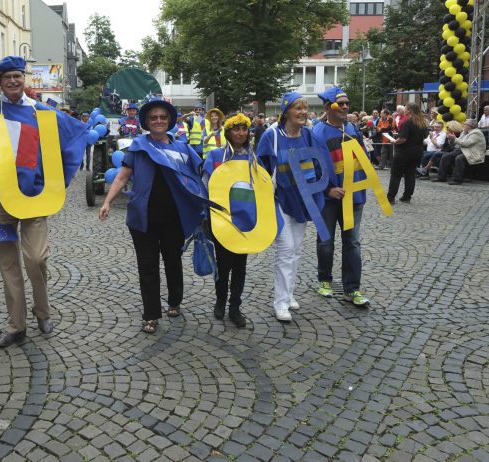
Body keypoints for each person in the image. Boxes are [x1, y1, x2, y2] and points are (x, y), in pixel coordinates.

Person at [0, 56, 86, 348]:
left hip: (34, 201)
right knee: (7, 263)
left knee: (36, 258)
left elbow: (73, 140)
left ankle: (42, 311)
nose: (12, 81)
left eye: (17, 76)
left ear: (24, 79)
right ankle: (16, 325)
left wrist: (57, 183)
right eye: (6, 77)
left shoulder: (42, 112)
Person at [99, 99, 206, 334]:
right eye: (153, 118)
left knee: (173, 262)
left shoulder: (182, 148)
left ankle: (175, 301)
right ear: (147, 122)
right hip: (143, 218)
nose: (158, 121)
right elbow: (122, 177)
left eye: (163, 117)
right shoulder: (138, 147)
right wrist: (107, 201)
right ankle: (150, 314)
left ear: (169, 121)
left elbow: (197, 179)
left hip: (174, 218)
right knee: (147, 266)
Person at [258, 92, 324, 322]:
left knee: (296, 250)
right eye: (298, 108)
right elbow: (260, 169)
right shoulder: (272, 135)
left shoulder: (307, 134)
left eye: (305, 108)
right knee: (286, 250)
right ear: (286, 111)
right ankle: (280, 302)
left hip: (303, 200)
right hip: (279, 201)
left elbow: (318, 162)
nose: (303, 112)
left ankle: (289, 293)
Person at [312, 86, 370, 306]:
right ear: (329, 107)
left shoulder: (353, 129)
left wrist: (361, 185)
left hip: (353, 197)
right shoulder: (317, 132)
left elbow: (362, 160)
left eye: (347, 103)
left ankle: (352, 289)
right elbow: (315, 166)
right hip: (328, 199)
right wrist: (327, 189)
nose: (345, 107)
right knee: (325, 242)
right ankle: (324, 279)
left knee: (352, 242)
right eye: (341, 103)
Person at [202, 114, 258, 328]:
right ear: (229, 132)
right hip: (221, 218)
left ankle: (235, 307)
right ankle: (220, 301)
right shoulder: (216, 155)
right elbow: (205, 185)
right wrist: (205, 215)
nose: (241, 133)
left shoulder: (253, 158)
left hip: (245, 219)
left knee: (240, 265)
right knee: (223, 265)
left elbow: (260, 188)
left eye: (244, 129)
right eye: (237, 129)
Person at [386, 102, 429, 204]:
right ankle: (407, 197)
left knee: (396, 175)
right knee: (410, 174)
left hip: (404, 152)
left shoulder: (408, 122)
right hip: (417, 151)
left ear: (409, 110)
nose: (404, 110)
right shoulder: (422, 123)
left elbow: (403, 139)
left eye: (405, 108)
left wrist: (395, 141)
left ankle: (390, 198)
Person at [437, 119, 486, 185]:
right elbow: (457, 143)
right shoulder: (464, 132)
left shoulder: (476, 133)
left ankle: (457, 180)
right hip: (463, 150)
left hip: (472, 153)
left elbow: (466, 144)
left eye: (465, 124)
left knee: (459, 158)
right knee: (446, 156)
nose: (463, 125)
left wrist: (454, 138)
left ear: (470, 126)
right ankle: (441, 177)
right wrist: (450, 139)